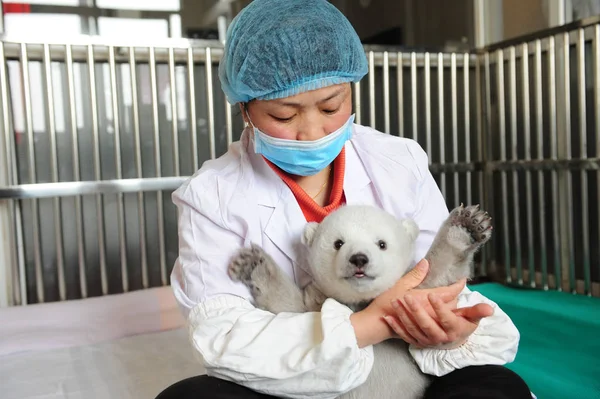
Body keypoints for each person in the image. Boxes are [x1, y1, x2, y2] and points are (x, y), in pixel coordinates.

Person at [157, 0, 532, 398]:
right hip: (292, 382)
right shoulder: (212, 194)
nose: (311, 131)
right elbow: (225, 338)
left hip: (405, 367)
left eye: (331, 106)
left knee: (497, 387)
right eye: (284, 116)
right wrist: (370, 324)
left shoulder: (397, 161)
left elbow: (434, 279)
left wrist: (451, 329)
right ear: (244, 108)